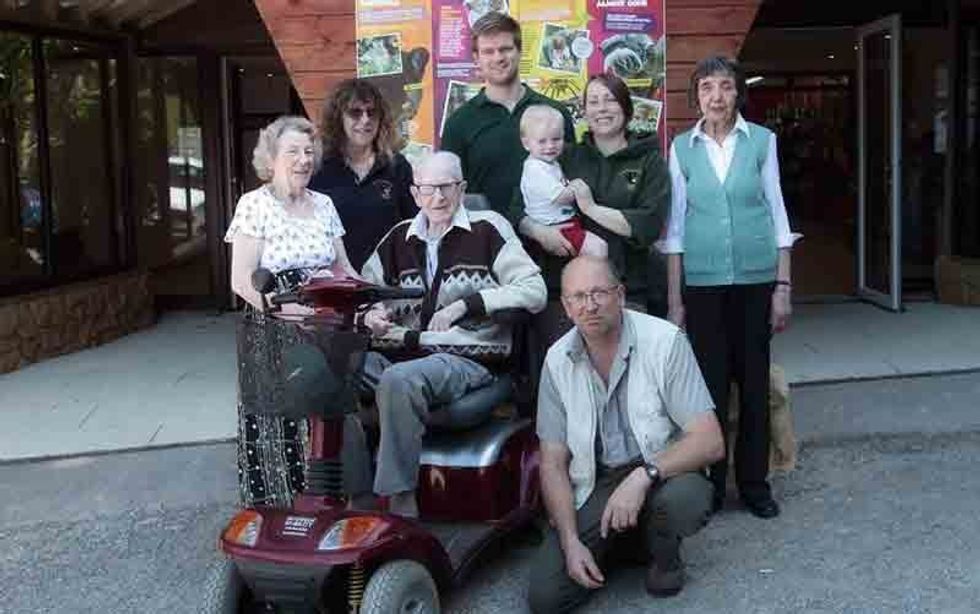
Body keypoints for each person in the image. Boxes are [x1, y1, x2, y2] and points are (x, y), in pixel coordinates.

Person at [528, 256, 723, 613]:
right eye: (578, 297)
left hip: (661, 469)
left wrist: (642, 477)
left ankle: (664, 560)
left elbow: (709, 441)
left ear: (619, 295)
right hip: (597, 480)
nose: (590, 305)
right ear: (566, 307)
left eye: (599, 293)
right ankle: (621, 541)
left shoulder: (664, 341)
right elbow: (553, 463)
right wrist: (570, 542)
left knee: (682, 500)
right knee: (546, 598)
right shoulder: (557, 361)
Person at [357, 150, 547, 517]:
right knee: (335, 369)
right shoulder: (398, 238)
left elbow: (534, 291)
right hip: (401, 353)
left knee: (399, 381)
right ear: (415, 193)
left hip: (463, 359)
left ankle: (399, 503)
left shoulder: (487, 228)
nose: (438, 198)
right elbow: (365, 292)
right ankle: (353, 495)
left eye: (447, 187)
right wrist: (370, 314)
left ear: (462, 188)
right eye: (428, 189)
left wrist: (466, 305)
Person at [660, 56, 800, 519]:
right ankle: (714, 486)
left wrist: (783, 285)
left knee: (754, 385)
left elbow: (777, 212)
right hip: (703, 285)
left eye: (724, 86)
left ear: (738, 92)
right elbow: (675, 229)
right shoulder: (682, 148)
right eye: (707, 88)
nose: (716, 97)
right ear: (696, 96)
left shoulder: (761, 141)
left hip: (757, 280)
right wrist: (676, 300)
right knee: (711, 388)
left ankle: (755, 485)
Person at [224, 115, 357, 506]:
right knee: (279, 420)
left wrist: (369, 304)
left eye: (308, 151)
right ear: (271, 158)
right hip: (274, 325)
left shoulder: (324, 204)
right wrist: (295, 314)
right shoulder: (254, 205)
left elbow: (344, 269)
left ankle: (325, 503)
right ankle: (278, 510)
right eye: (293, 151)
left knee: (325, 416)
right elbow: (241, 280)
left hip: (327, 325)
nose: (303, 159)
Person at [513, 73, 671, 346]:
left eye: (610, 100)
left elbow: (649, 224)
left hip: (627, 290)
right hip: (565, 293)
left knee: (626, 367)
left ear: (626, 107)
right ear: (584, 111)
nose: (602, 109)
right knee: (566, 368)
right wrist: (540, 232)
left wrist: (590, 208)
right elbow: (517, 208)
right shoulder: (563, 155)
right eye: (594, 102)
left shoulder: (650, 161)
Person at [441, 12, 575, 215]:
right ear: (476, 58)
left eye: (505, 49)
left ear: (519, 51)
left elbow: (572, 177)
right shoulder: (458, 123)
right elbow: (450, 195)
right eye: (488, 51)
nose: (498, 58)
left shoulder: (556, 113)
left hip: (554, 230)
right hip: (488, 233)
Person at [310, 79, 416, 271]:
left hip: (388, 280)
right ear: (338, 118)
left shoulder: (397, 166)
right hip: (334, 279)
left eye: (372, 112)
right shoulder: (318, 168)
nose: (365, 119)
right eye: (355, 112)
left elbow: (414, 226)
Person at [519, 104, 607, 258]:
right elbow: (560, 197)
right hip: (555, 226)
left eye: (556, 139)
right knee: (598, 248)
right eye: (542, 141)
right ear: (526, 143)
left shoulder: (548, 163)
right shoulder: (536, 169)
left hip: (565, 219)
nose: (550, 146)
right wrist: (579, 188)